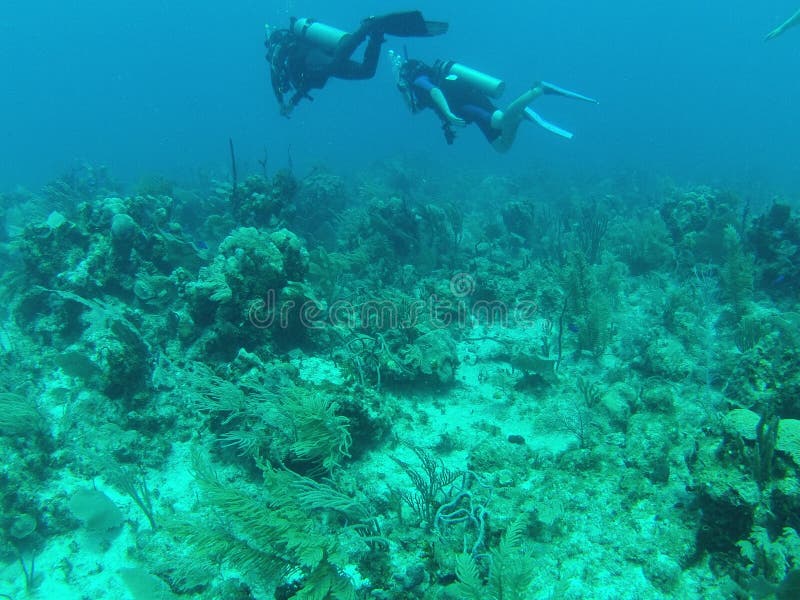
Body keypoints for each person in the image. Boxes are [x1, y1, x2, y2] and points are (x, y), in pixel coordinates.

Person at [391, 54, 598, 152]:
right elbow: (415, 109)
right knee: (501, 147)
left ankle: (538, 90)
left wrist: (449, 114)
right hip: (466, 105)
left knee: (499, 122)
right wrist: (403, 93)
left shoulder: (418, 80)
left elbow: (435, 92)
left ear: (406, 74)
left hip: (465, 104)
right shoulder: (420, 83)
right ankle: (519, 116)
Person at [266, 12, 447, 116]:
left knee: (334, 63)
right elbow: (306, 85)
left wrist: (281, 103)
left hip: (311, 57)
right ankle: (376, 34)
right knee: (366, 72)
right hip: (318, 66)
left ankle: (366, 27)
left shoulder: (279, 52)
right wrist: (292, 102)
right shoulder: (290, 67)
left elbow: (275, 76)